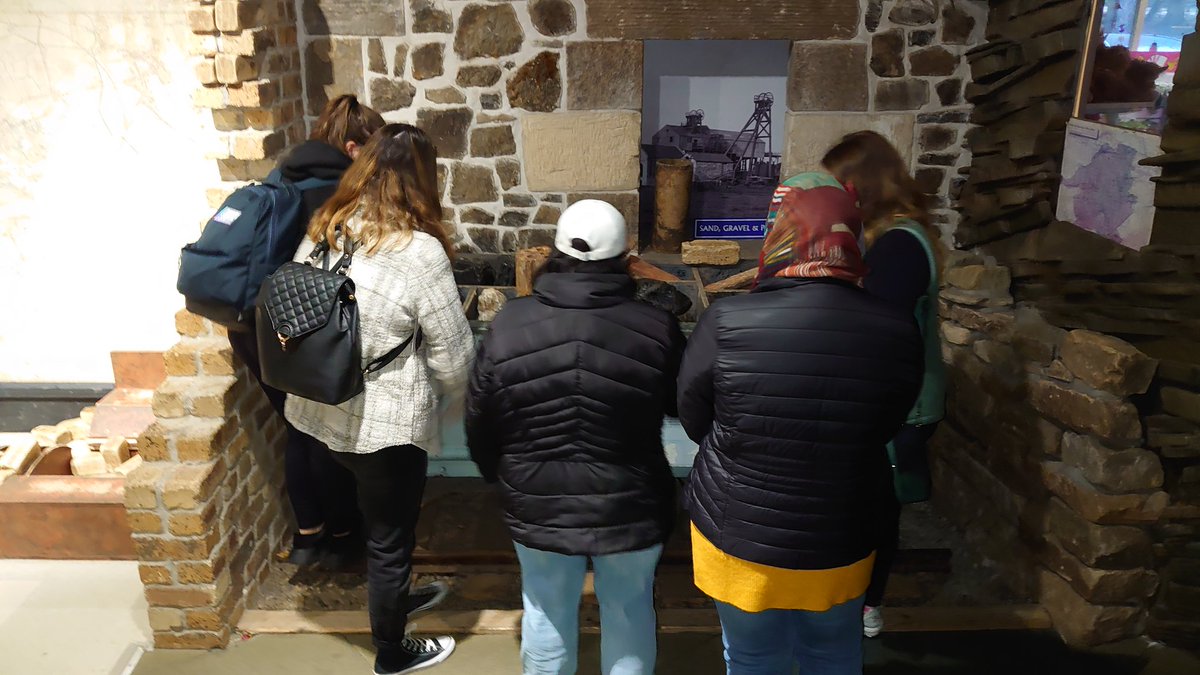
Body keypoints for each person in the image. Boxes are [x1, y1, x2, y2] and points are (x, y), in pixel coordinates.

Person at [677, 173, 924, 675]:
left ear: (780, 237)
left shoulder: (726, 322)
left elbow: (693, 416)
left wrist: (745, 445)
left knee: (750, 657)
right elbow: (887, 421)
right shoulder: (897, 329)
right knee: (833, 653)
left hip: (739, 531)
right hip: (844, 528)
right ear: (852, 242)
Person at [285, 123, 476, 675]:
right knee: (392, 539)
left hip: (319, 410)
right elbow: (453, 357)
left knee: (377, 528)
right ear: (423, 181)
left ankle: (392, 601)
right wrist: (455, 402)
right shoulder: (419, 252)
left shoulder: (327, 225)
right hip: (383, 425)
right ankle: (392, 652)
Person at [465, 200, 685, 675]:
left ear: (557, 252)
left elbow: (481, 417)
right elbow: (678, 405)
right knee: (628, 612)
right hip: (630, 501)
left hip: (537, 497)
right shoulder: (656, 327)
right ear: (624, 256)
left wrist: (498, 477)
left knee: (545, 610)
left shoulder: (510, 324)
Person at [225, 94, 386, 567]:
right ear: (355, 149)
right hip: (295, 324)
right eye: (373, 153)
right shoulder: (336, 190)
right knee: (322, 430)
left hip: (250, 325)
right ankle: (342, 536)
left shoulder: (284, 174)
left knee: (298, 428)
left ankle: (308, 537)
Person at [822, 131, 948, 638]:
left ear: (861, 186)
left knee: (874, 508)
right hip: (895, 397)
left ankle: (865, 606)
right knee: (869, 504)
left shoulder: (898, 245)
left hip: (900, 404)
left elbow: (880, 328)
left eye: (838, 186)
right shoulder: (893, 236)